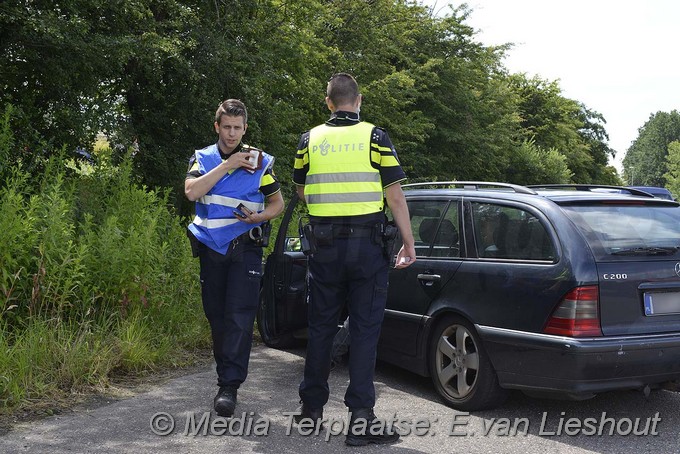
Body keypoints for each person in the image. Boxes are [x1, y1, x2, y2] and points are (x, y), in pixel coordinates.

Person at [292, 73, 416, 446]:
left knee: (321, 329)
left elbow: (301, 192)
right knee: (364, 332)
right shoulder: (375, 137)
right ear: (358, 100)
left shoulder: (308, 140)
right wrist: (408, 243)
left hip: (325, 248)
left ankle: (311, 412)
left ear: (328, 102)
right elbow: (395, 197)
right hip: (367, 249)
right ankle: (361, 419)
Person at [184, 99, 284, 417]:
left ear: (245, 129)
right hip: (212, 250)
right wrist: (227, 165)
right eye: (226, 127)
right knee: (217, 317)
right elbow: (191, 192)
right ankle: (224, 375)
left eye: (237, 128)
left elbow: (277, 204)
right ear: (217, 126)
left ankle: (229, 386)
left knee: (239, 318)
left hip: (246, 248)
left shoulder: (259, 162)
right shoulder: (203, 159)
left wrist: (258, 218)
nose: (231, 134)